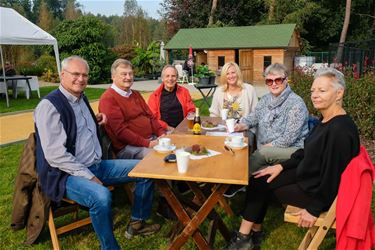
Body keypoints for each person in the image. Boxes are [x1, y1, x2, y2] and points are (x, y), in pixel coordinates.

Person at [34, 56, 160, 250]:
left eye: (84, 75)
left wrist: (95, 120)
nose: (81, 79)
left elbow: (76, 128)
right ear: (62, 75)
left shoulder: (80, 98)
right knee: (101, 196)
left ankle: (137, 222)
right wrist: (89, 176)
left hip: (96, 164)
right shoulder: (49, 106)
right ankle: (109, 247)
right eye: (75, 74)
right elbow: (55, 155)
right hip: (64, 175)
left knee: (147, 168)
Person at [227, 67, 360, 249]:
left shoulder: (340, 130)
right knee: (260, 177)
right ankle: (252, 234)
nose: (315, 95)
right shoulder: (327, 119)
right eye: (313, 90)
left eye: (322, 90)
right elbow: (306, 151)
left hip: (316, 189)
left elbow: (333, 178)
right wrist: (281, 167)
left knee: (259, 186)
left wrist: (313, 210)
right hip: (308, 173)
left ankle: (243, 239)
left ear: (339, 93)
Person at [224, 63, 309, 198]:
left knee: (262, 153)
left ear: (286, 80)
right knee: (235, 144)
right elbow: (254, 117)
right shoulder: (265, 99)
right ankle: (229, 177)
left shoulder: (296, 104)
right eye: (269, 81)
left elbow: (289, 137)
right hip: (267, 147)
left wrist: (270, 146)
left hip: (293, 149)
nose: (274, 84)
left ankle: (238, 181)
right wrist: (242, 124)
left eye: (278, 80)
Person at [99, 59, 166, 160]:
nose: (128, 77)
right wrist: (147, 143)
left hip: (151, 138)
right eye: (124, 74)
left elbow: (150, 117)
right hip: (128, 148)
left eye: (130, 74)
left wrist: (161, 133)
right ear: (113, 77)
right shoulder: (108, 98)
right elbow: (120, 132)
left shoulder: (135, 94)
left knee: (178, 145)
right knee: (160, 157)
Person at [148, 65, 195, 130]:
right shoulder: (154, 96)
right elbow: (153, 119)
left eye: (173, 76)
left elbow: (191, 110)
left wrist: (184, 125)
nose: (170, 79)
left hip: (183, 128)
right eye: (167, 76)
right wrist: (168, 128)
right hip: (163, 130)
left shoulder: (184, 92)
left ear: (177, 78)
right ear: (162, 78)